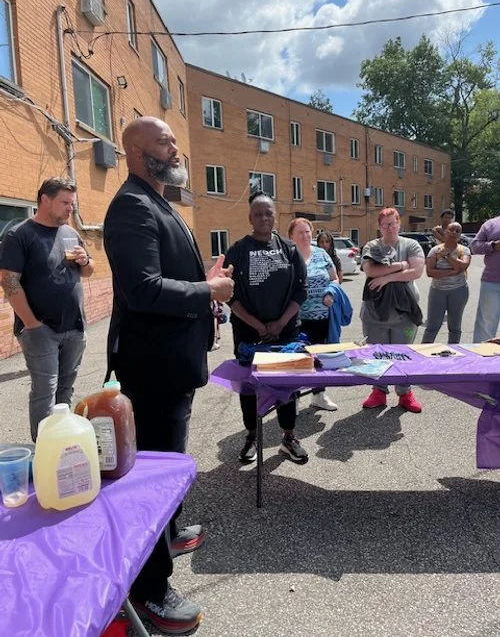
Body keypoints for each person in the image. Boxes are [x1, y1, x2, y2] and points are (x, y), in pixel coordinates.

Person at [103, 116, 234, 634]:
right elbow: (144, 290)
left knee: (169, 460)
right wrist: (209, 293)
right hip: (152, 368)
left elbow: (165, 277)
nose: (175, 147)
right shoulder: (132, 206)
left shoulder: (160, 200)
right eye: (163, 140)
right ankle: (151, 591)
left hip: (173, 362)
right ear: (135, 151)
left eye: (175, 140)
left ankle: (171, 529)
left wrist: (201, 279)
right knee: (152, 476)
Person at [0, 177, 93, 441]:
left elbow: (88, 271)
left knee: (65, 388)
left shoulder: (71, 233)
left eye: (72, 204)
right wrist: (31, 324)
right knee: (45, 391)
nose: (69, 209)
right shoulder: (20, 235)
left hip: (74, 327)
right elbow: (9, 281)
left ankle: (64, 442)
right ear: (44, 199)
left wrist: (86, 261)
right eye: (65, 203)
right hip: (41, 328)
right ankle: (44, 449)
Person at [224, 192, 309, 464]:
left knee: (287, 386)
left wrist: (281, 322)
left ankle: (289, 436)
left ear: (275, 216)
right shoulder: (237, 251)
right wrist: (258, 326)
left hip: (286, 333)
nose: (263, 218)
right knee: (249, 387)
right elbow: (229, 296)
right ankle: (252, 435)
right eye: (258, 213)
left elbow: (301, 291)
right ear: (250, 217)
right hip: (249, 333)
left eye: (268, 213)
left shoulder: (290, 249)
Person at [360, 208, 425, 412]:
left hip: (404, 314)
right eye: (385, 224)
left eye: (393, 223)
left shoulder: (411, 245)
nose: (390, 227)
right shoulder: (372, 246)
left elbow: (416, 271)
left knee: (402, 353)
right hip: (375, 313)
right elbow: (370, 270)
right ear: (379, 226)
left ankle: (405, 393)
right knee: (377, 354)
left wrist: (387, 277)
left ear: (399, 224)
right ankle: (379, 391)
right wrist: (400, 265)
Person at [288, 217, 338, 411]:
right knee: (298, 359)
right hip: (295, 319)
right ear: (291, 236)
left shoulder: (322, 254)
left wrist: (331, 293)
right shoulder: (288, 256)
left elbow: (335, 279)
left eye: (308, 231)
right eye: (300, 232)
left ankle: (319, 395)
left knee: (320, 358)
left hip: (322, 318)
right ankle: (295, 398)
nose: (305, 236)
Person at [422, 222, 471, 344]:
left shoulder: (464, 250)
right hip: (437, 291)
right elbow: (430, 272)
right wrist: (451, 271)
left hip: (459, 290)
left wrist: (448, 256)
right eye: (452, 229)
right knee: (432, 326)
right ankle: (423, 353)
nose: (454, 232)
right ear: (446, 232)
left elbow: (463, 266)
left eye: (457, 231)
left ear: (460, 235)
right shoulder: (435, 250)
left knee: (454, 327)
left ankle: (453, 354)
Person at [471, 216, 500, 342]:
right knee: (486, 324)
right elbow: (474, 246)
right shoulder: (491, 224)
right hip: (492, 282)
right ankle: (481, 358)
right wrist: (493, 246)